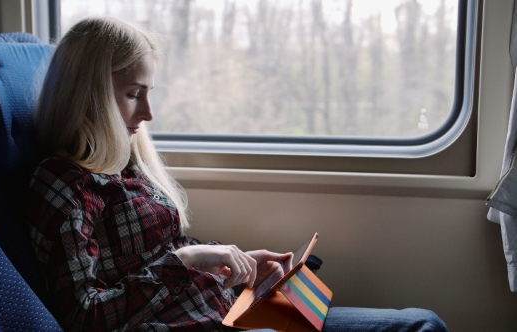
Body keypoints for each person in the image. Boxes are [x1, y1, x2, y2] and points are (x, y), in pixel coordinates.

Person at [26, 17, 449, 332]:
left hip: (224, 307)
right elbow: (85, 314)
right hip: (185, 324)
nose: (149, 114)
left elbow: (163, 254)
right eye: (134, 95)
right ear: (90, 93)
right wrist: (185, 261)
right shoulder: (64, 183)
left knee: (424, 323)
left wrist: (234, 262)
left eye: (149, 94)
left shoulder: (127, 165)